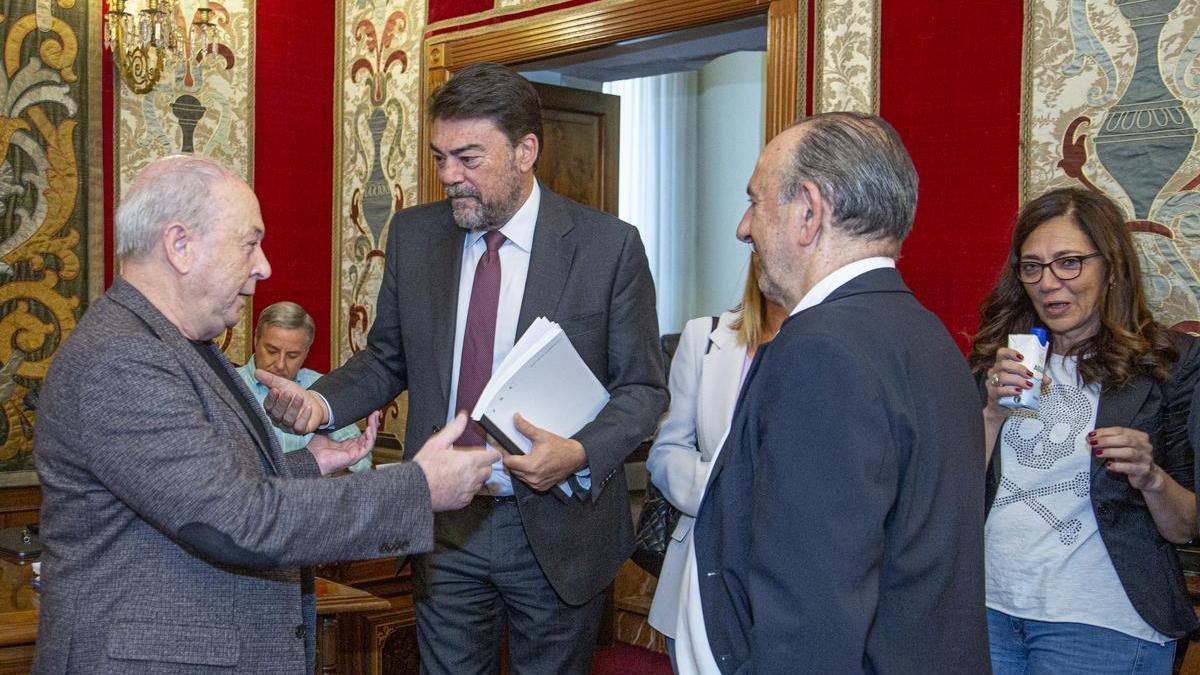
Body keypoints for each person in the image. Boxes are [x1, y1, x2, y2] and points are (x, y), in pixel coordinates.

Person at [259, 63, 668, 674]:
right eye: (439, 156)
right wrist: (323, 403)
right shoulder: (415, 235)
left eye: (468, 158)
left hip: (559, 529)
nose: (449, 176)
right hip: (447, 526)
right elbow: (386, 357)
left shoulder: (609, 247)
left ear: (526, 150)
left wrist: (578, 453)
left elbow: (641, 390)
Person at [32, 155, 497, 673]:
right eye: (249, 243)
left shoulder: (178, 343)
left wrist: (308, 464)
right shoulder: (122, 359)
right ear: (180, 245)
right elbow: (236, 521)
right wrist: (418, 488)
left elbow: (203, 485)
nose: (264, 266)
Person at [690, 112, 989, 674]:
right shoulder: (928, 336)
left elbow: (811, 602)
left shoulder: (820, 349)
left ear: (808, 210)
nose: (742, 227)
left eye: (755, 201)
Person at [970, 187, 1200, 674]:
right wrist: (989, 414)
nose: (1049, 283)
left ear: (1111, 267)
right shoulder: (1001, 362)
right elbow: (949, 497)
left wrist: (1151, 476)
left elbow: (1185, 525)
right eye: (1032, 267)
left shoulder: (1170, 365)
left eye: (1069, 263)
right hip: (986, 612)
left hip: (1101, 624)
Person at [645, 254, 786, 673]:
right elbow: (666, 451)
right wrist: (733, 490)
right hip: (698, 570)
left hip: (782, 576)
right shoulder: (705, 337)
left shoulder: (829, 344)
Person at [237, 300, 371, 472]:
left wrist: (333, 465)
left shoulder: (322, 388)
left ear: (306, 352)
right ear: (256, 339)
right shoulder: (227, 385)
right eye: (272, 351)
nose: (280, 364)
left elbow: (360, 461)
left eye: (292, 355)